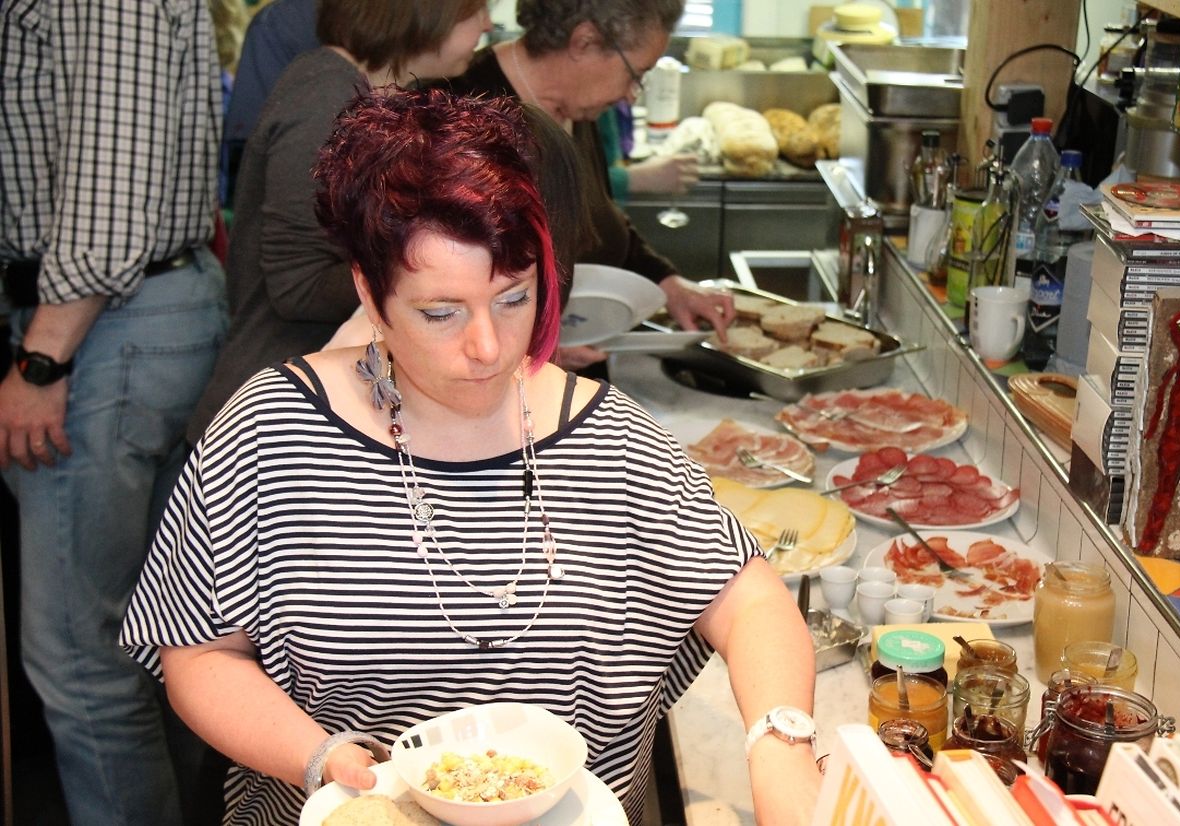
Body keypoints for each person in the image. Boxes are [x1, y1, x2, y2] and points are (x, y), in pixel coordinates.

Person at [120, 88, 821, 826]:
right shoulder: (272, 434)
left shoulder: (613, 440)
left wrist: (781, 746)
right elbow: (199, 655)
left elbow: (751, 602)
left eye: (513, 299)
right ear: (370, 295)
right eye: (441, 312)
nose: (487, 347)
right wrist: (320, 756)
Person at [0, 2, 229, 823]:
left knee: (80, 654)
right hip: (132, 317)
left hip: (102, 326)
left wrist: (43, 359)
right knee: (167, 636)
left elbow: (108, 198)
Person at [186, 0, 492, 445]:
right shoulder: (325, 100)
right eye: (475, 9)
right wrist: (424, 274)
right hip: (278, 415)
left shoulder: (367, 96)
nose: (487, 23)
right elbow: (297, 285)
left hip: (319, 397)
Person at [446, 0, 735, 362]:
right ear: (584, 42)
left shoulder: (576, 104)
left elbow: (598, 215)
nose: (632, 94)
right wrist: (533, 352)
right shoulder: (464, 110)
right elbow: (445, 288)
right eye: (636, 74)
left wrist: (668, 283)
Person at [220, 0, 318, 206]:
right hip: (350, 197)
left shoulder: (277, 22)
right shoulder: (279, 23)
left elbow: (250, 148)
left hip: (286, 201)